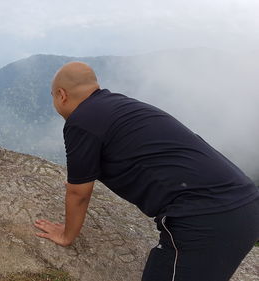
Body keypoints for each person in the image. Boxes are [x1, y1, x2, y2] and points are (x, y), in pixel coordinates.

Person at [34, 61, 259, 281]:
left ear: (61, 95)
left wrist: (66, 235)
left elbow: (79, 193)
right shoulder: (121, 106)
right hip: (244, 204)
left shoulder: (80, 121)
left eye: (53, 96)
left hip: (204, 219)